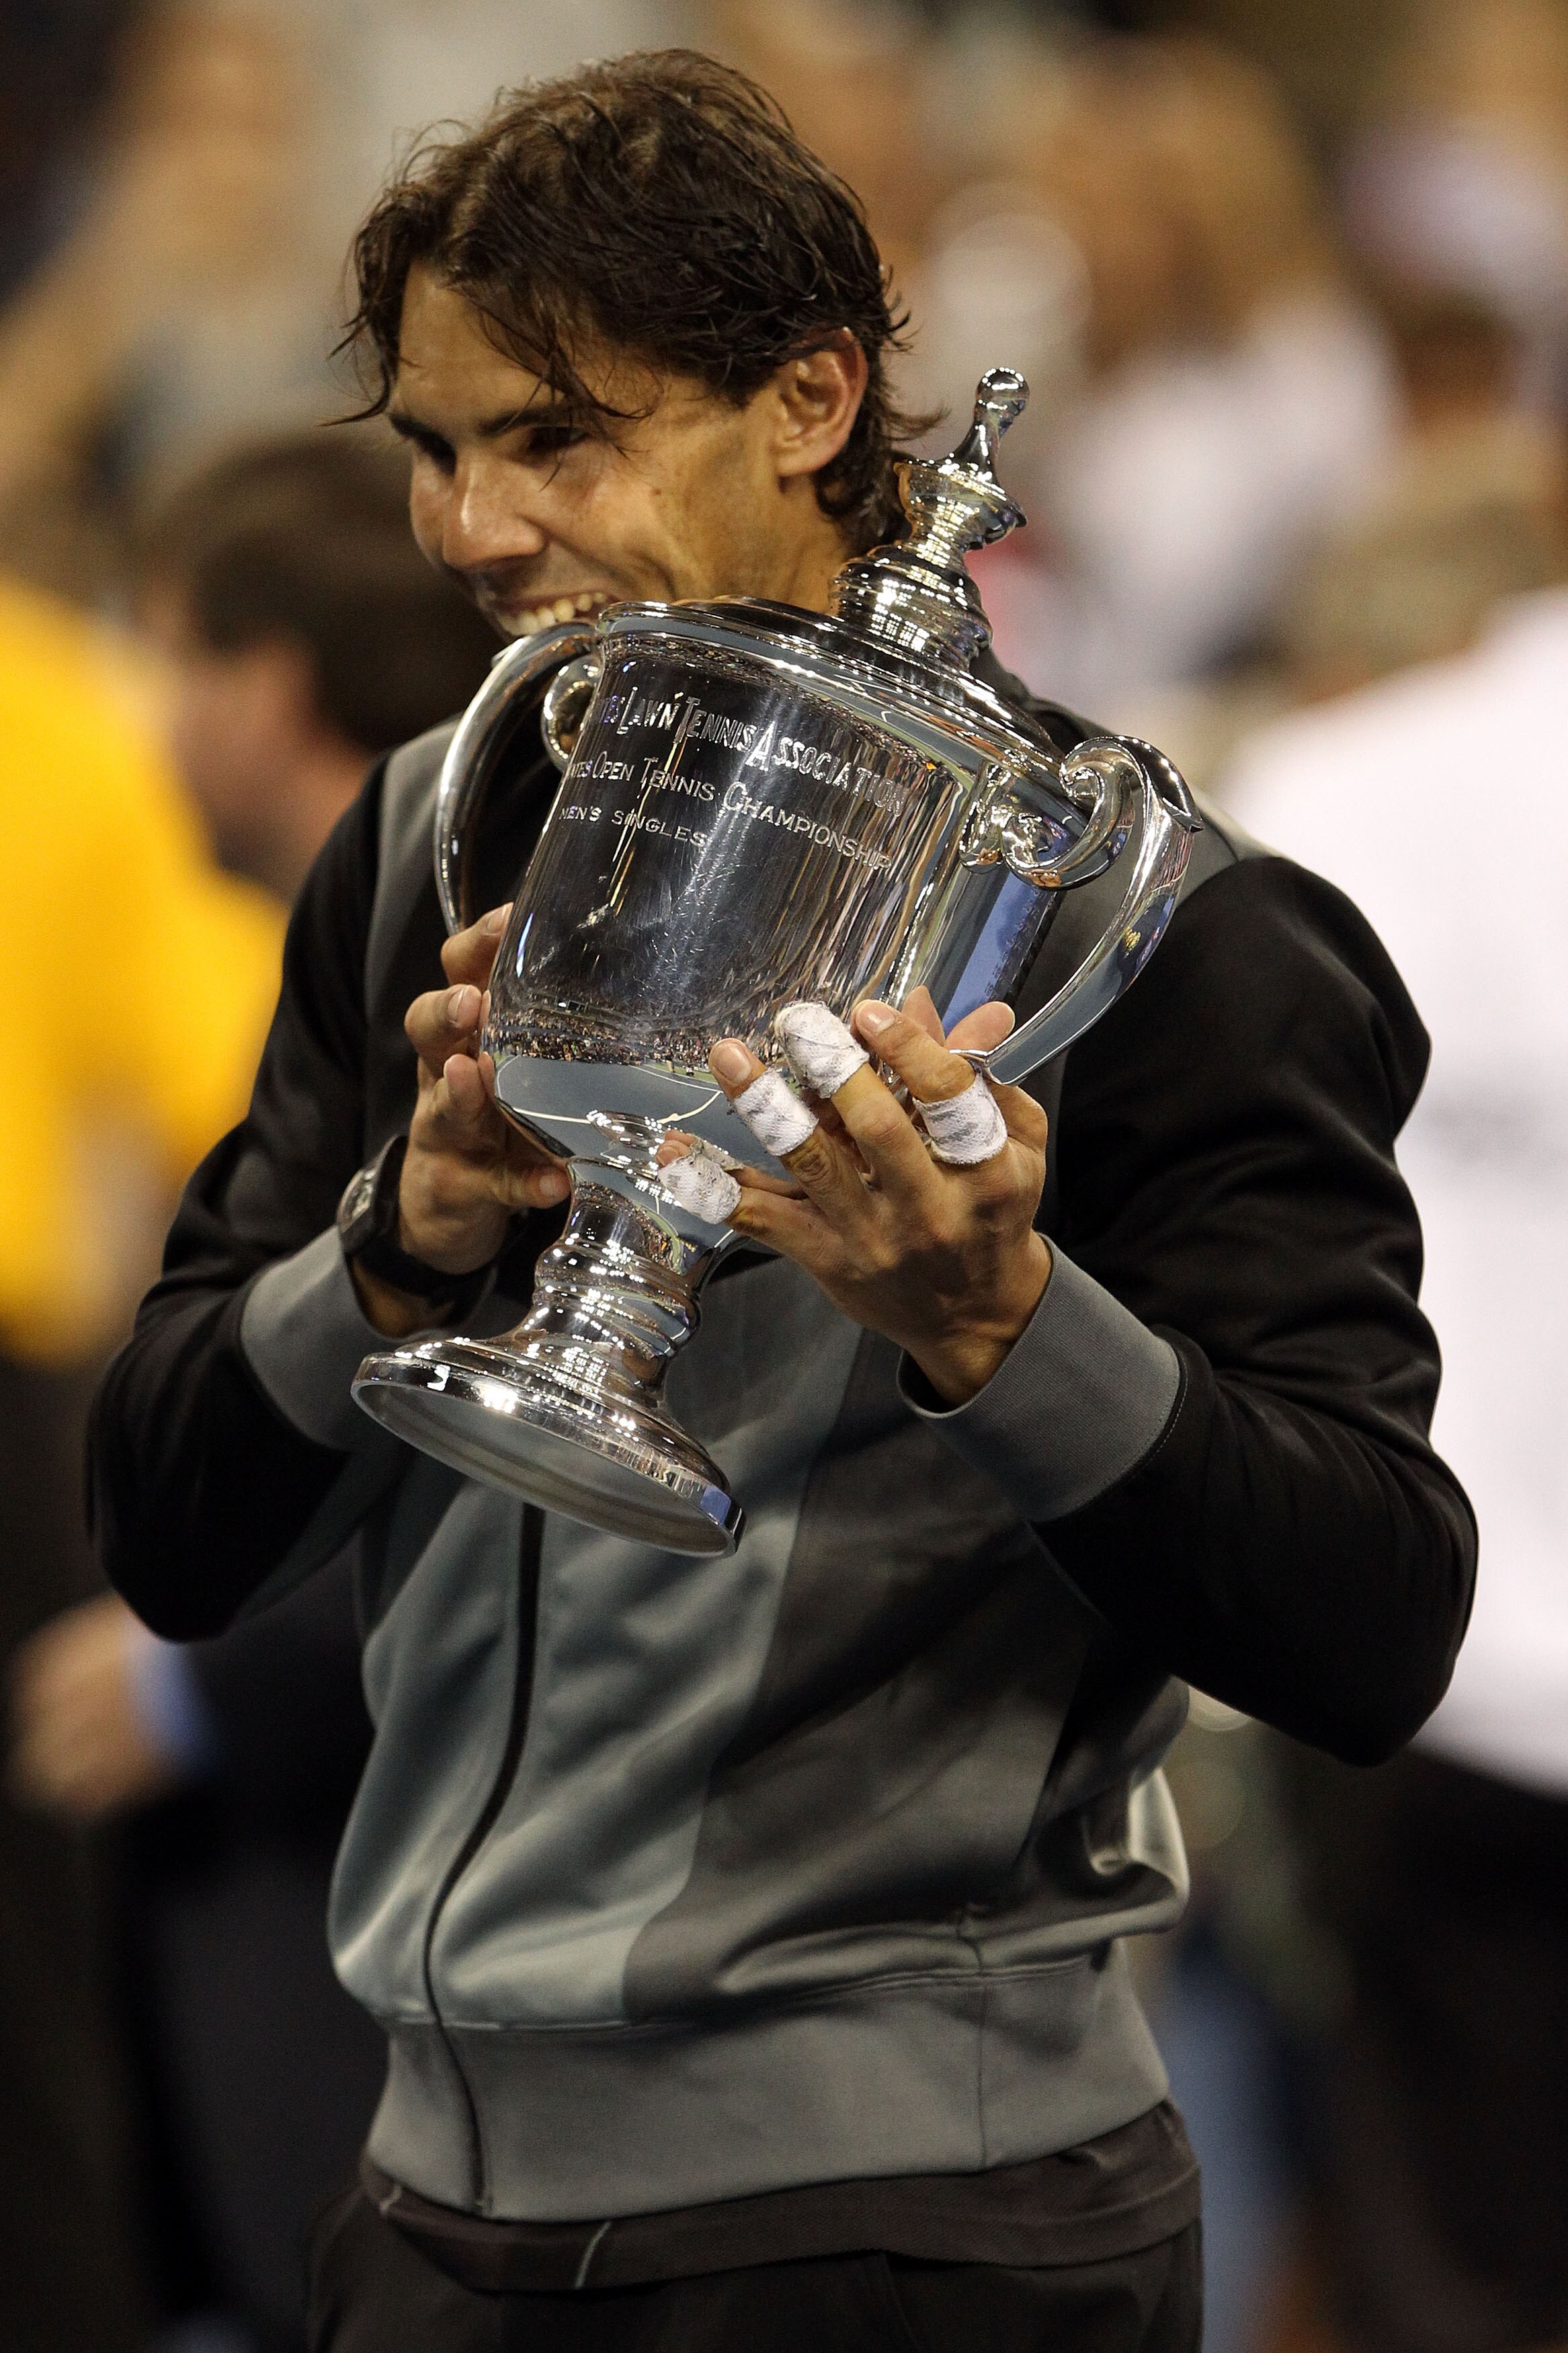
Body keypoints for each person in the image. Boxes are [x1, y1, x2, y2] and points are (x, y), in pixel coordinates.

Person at [89, 52, 1476, 2353]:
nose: (467, 528)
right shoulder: (442, 827)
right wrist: (395, 1249)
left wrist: (1000, 1327)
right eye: (437, 450)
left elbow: (1369, 1619)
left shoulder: (1165, 934)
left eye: (558, 437)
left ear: (813, 402)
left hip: (912, 2237)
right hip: (422, 2207)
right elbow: (170, 1523)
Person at [10, 430, 500, 2353]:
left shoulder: (442, 1004)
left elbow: (460, 1449)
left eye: (172, 655)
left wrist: (195, 1684)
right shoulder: (295, 960)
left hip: (397, 1914)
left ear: (268, 680)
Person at [1217, 571, 1568, 2353]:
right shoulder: (1342, 785)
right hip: (1417, 1686)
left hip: (1413, 1679)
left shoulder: (1343, 783)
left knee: (1420, 2265)